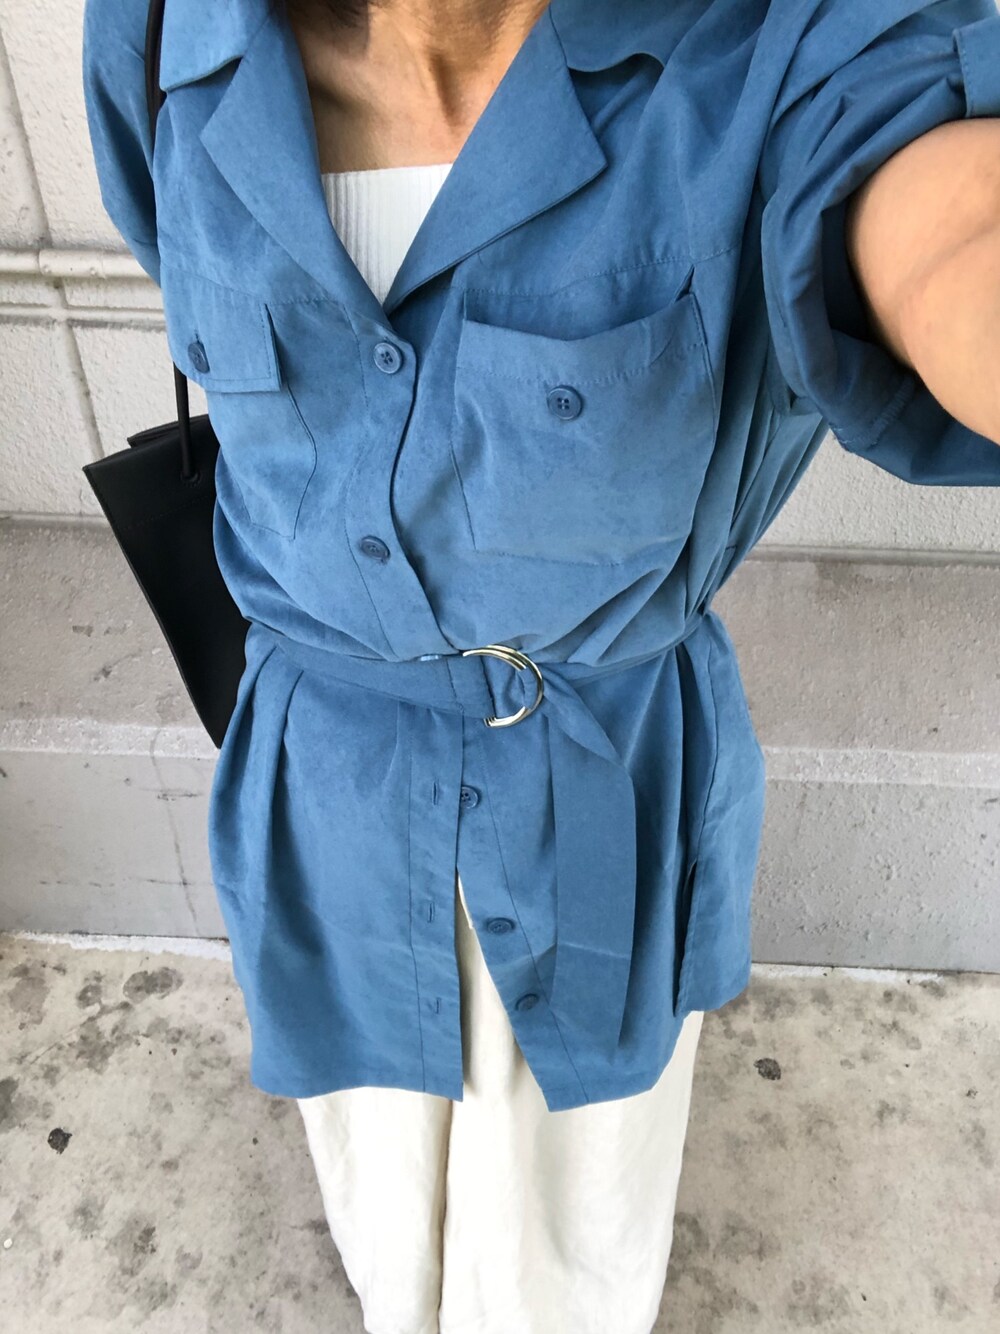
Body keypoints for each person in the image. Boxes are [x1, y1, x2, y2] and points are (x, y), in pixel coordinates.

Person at [81, 1, 1000, 1331]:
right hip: (328, 796)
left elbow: (944, 221)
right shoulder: (161, 32)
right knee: (381, 1190)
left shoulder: (791, 54)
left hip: (596, 797)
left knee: (572, 1231)